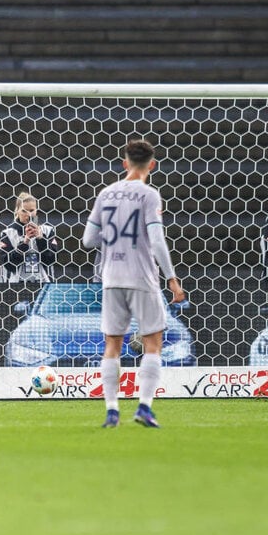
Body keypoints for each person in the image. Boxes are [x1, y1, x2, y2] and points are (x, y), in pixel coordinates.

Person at [83, 139, 185, 428]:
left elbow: (88, 240)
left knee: (112, 344)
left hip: (111, 278)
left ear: (124, 163)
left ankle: (112, 411)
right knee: (153, 342)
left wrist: (113, 241)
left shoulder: (105, 193)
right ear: (152, 165)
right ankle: (144, 407)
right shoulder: (149, 195)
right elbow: (157, 240)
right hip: (141, 277)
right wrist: (172, 279)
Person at [0, 191, 59, 282]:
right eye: (24, 211)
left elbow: (51, 260)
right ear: (17, 211)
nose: (28, 214)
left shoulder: (48, 231)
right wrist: (24, 243)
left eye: (31, 210)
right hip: (16, 287)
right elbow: (9, 266)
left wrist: (40, 239)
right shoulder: (8, 234)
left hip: (44, 284)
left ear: (36, 211)